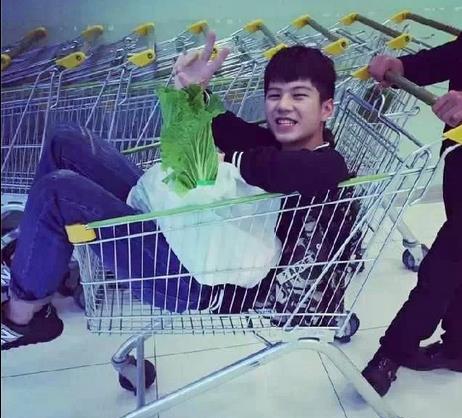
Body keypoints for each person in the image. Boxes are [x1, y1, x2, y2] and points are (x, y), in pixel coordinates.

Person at [1, 33, 350, 350]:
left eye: (299, 95)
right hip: (186, 233)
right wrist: (193, 91)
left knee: (58, 191)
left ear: (326, 109)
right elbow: (223, 127)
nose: (283, 105)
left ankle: (22, 315)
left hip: (196, 280)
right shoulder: (273, 143)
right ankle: (39, 264)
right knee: (65, 141)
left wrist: (226, 160)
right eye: (274, 95)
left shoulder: (328, 167)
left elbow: (294, 171)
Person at [361, 33, 462, 396]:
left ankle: (393, 351)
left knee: (444, 262)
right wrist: (404, 67)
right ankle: (457, 346)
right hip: (458, 148)